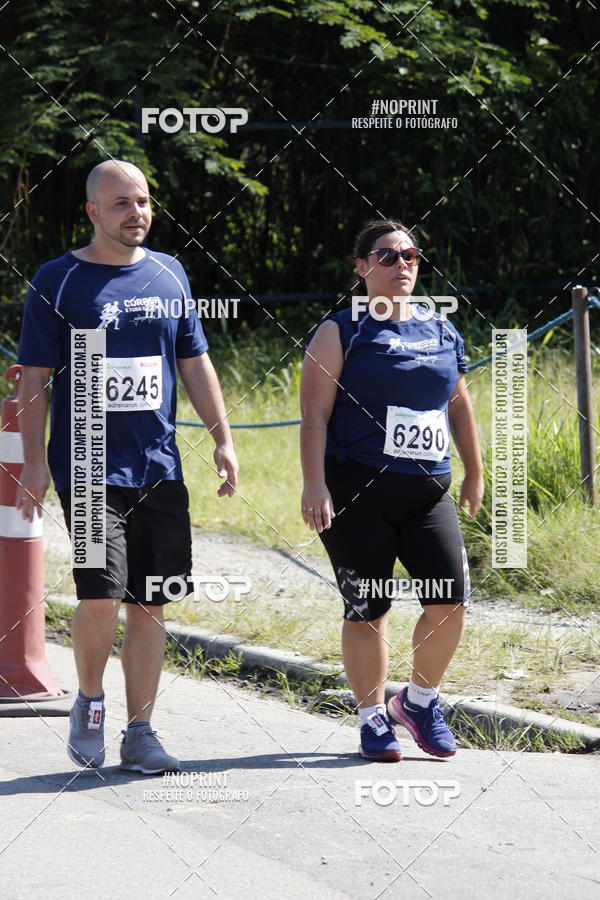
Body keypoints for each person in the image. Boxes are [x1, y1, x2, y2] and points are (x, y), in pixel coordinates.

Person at [17, 160, 238, 774]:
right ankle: (90, 703)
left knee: (151, 601)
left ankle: (141, 731)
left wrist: (223, 438)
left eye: (142, 201)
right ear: (92, 212)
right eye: (120, 203)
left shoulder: (170, 273)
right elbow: (35, 377)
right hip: (86, 461)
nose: (136, 212)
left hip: (158, 465)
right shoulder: (59, 280)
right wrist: (35, 463)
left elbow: (195, 360)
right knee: (99, 597)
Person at [300, 220, 483, 762]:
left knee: (449, 603)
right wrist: (313, 483)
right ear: (361, 267)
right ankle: (372, 716)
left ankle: (420, 702)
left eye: (411, 255)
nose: (402, 264)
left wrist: (474, 471)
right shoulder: (340, 329)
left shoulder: (440, 329)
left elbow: (458, 404)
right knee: (369, 608)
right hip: (356, 490)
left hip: (427, 491)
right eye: (387, 256)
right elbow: (314, 415)